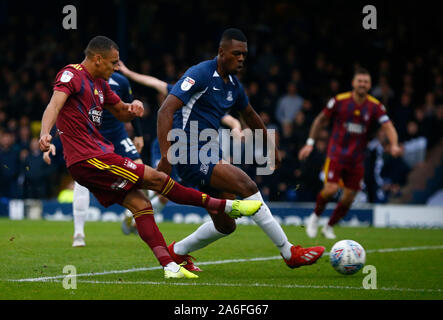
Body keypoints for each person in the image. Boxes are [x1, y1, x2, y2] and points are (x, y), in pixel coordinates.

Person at [38, 35, 262, 279]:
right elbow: (54, 105)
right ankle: (229, 205)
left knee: (141, 205)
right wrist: (45, 134)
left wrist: (133, 107)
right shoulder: (71, 75)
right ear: (98, 58)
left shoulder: (101, 85)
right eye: (113, 63)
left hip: (92, 159)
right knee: (158, 180)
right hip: (90, 157)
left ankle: (169, 266)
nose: (115, 68)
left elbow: (122, 112)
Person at [156, 28, 325, 272]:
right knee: (247, 186)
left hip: (207, 152)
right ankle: (290, 252)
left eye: (244, 54)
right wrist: (166, 155)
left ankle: (176, 252)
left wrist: (271, 147)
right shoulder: (200, 74)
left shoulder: (234, 85)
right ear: (221, 52)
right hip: (188, 152)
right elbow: (165, 110)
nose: (242, 59)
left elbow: (250, 115)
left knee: (226, 226)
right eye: (236, 54)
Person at [117, 61, 244, 234]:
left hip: (187, 152)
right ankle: (134, 212)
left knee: (164, 194)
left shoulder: (206, 103)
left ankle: (137, 220)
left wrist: (237, 128)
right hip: (165, 145)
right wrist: (129, 72)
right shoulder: (179, 93)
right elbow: (153, 82)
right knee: (157, 182)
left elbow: (229, 120)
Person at [44, 70, 145, 247]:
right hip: (91, 136)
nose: (115, 66)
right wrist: (48, 137)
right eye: (113, 61)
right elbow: (61, 110)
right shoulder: (80, 81)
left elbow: (128, 107)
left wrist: (139, 135)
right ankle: (78, 233)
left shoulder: (120, 81)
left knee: (141, 171)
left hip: (117, 133)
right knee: (81, 182)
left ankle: (130, 215)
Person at [299, 67, 402, 239]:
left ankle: (329, 226)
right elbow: (320, 120)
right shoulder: (339, 101)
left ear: (369, 85)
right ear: (353, 83)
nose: (362, 84)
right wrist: (310, 143)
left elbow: (388, 126)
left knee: (348, 198)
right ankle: (315, 217)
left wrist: (394, 144)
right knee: (331, 190)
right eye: (360, 81)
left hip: (357, 159)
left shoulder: (375, 106)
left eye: (366, 82)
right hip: (336, 155)